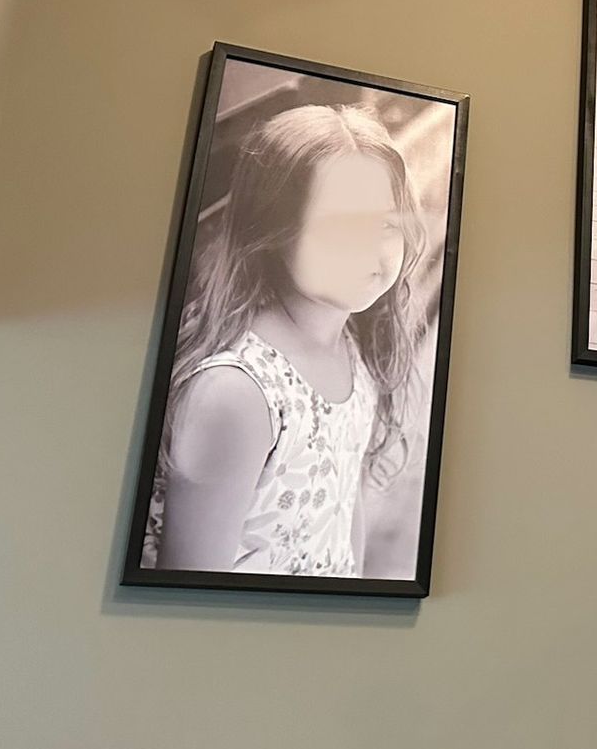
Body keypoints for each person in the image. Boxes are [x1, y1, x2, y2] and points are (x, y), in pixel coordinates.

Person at [145, 103, 426, 577]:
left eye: (386, 224)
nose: (368, 248)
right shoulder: (237, 394)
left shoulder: (352, 350)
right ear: (272, 228)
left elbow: (344, 514)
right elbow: (189, 585)